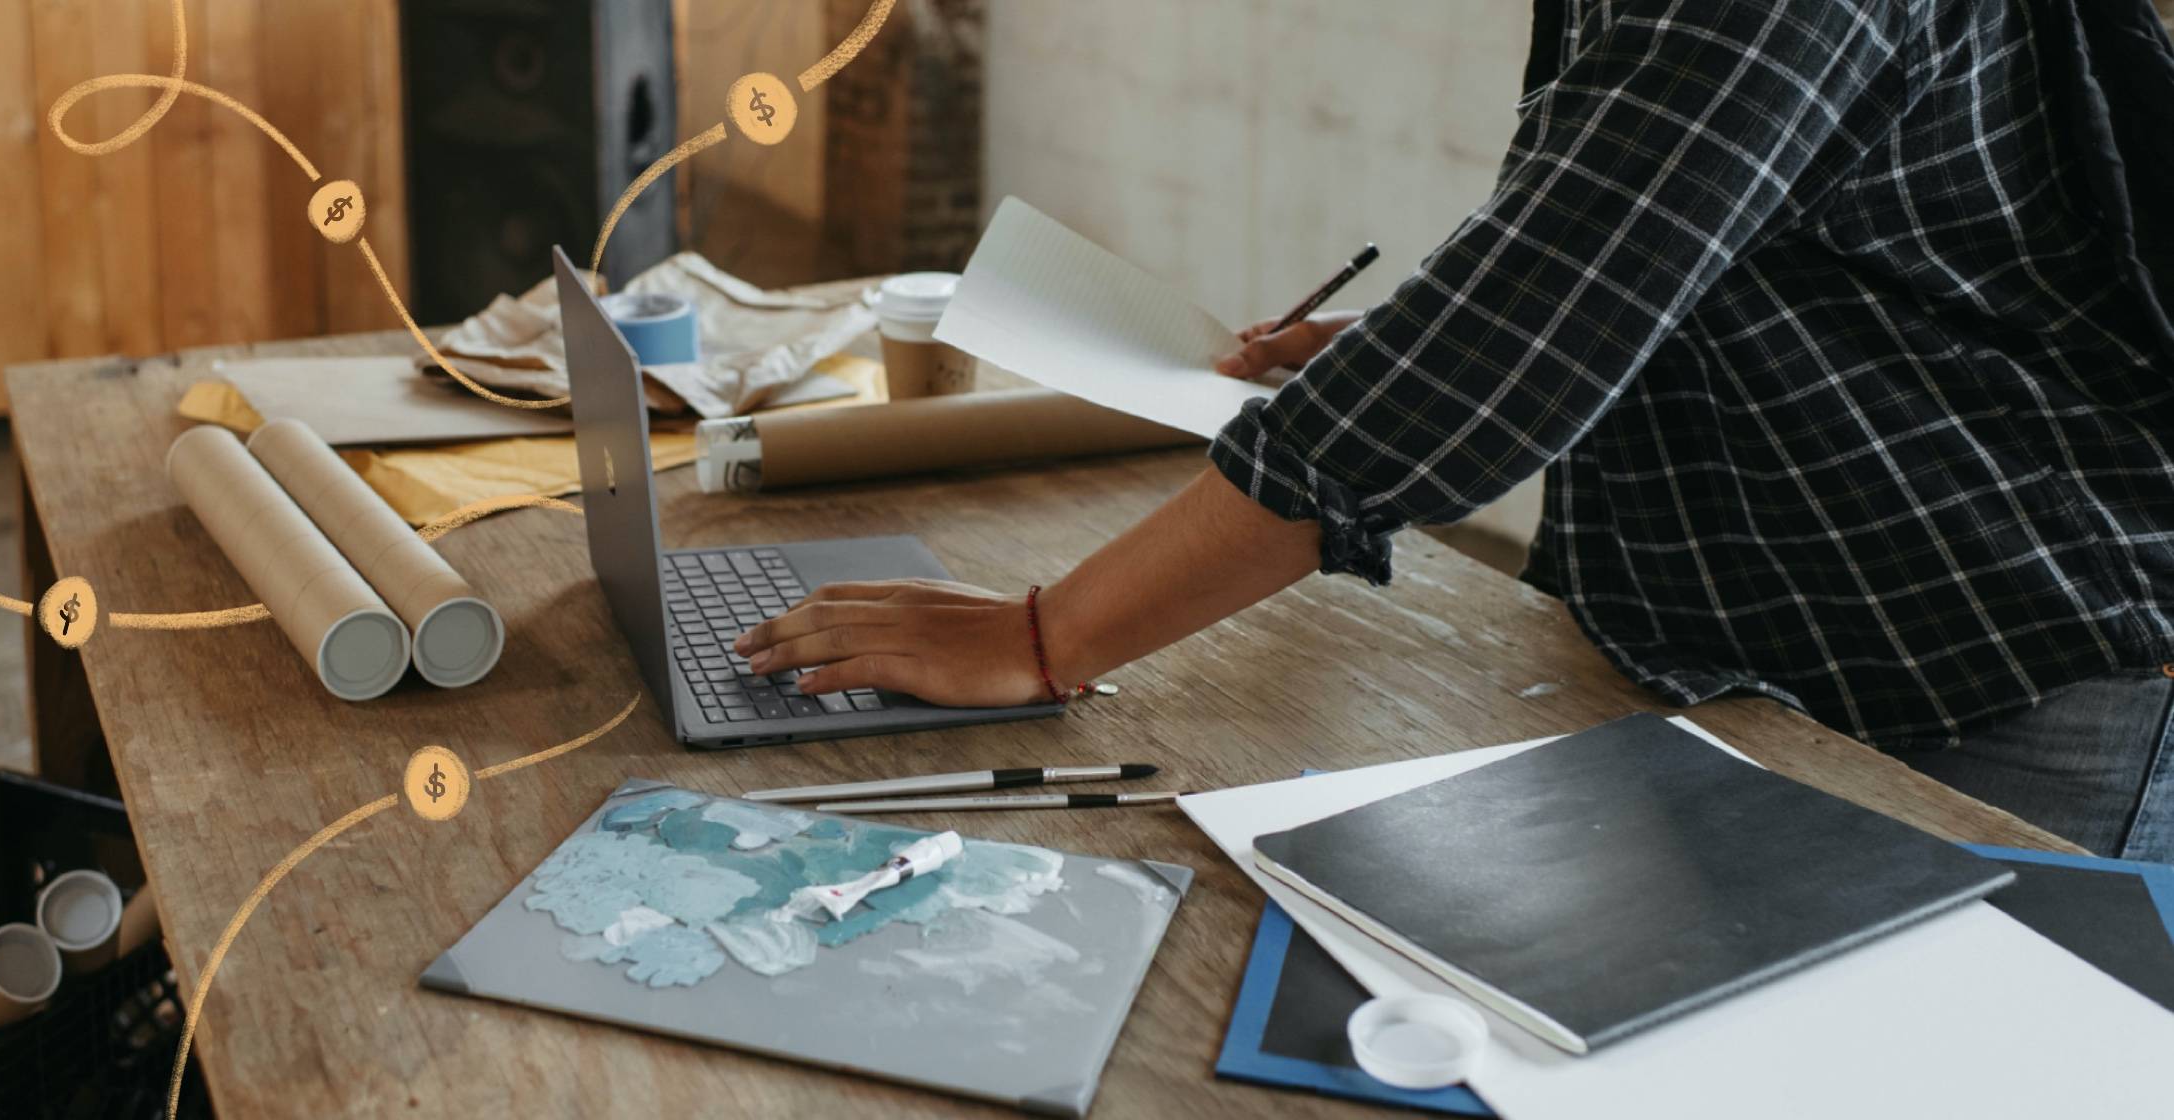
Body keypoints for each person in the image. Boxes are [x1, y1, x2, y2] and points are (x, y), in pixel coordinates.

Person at [737, 0, 2174, 862]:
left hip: (2003, 659)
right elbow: (1681, 246)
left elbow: (1534, 327)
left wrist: (1046, 638)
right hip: (1785, 649)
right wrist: (1392, 345)